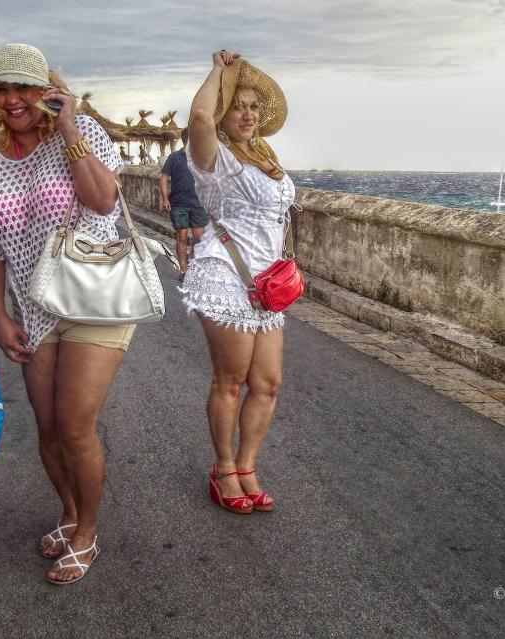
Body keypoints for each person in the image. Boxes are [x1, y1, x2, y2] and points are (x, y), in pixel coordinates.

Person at [0, 43, 126, 584]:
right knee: (48, 427)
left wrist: (72, 129)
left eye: (24, 89)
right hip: (33, 306)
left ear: (47, 91)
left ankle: (87, 533)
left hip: (92, 300)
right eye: (2, 89)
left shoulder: (80, 135)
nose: (13, 100)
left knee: (76, 425)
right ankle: (70, 511)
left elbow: (104, 201)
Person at [182, 50, 293, 514]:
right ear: (224, 115)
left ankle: (247, 466)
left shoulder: (265, 155)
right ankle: (223, 467)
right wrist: (219, 72)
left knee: (267, 383)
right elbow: (199, 115)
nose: (247, 114)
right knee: (231, 380)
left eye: (253, 106)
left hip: (266, 283)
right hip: (226, 275)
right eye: (238, 105)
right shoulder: (214, 158)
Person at [160, 128, 208, 276]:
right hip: (178, 203)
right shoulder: (174, 157)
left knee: (199, 236)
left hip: (198, 203)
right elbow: (163, 177)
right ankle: (183, 268)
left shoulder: (201, 158)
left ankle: (190, 258)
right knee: (181, 235)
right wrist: (165, 198)